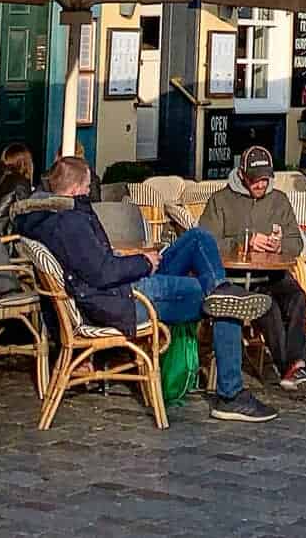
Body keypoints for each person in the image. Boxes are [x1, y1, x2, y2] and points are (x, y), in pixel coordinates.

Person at [21, 156, 279, 423]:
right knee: (223, 299)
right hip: (125, 299)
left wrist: (133, 259)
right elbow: (102, 273)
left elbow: (94, 264)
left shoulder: (46, 216)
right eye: (87, 188)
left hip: (117, 288)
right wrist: (142, 263)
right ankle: (231, 394)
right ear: (74, 189)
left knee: (198, 238)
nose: (89, 192)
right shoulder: (69, 223)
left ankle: (220, 286)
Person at [198, 146, 306, 398]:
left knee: (296, 297)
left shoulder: (279, 201)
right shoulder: (221, 200)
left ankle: (297, 365)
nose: (260, 184)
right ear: (242, 174)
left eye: (265, 179)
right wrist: (243, 242)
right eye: (255, 179)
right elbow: (204, 243)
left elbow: (296, 243)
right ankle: (292, 369)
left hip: (271, 273)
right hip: (235, 277)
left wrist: (279, 245)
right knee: (268, 306)